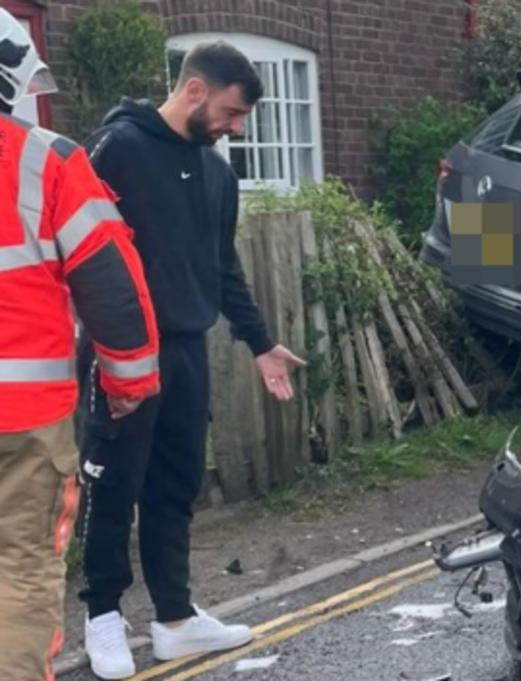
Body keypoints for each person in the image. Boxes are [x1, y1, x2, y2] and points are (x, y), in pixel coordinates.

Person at [77, 41, 305, 679]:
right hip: (120, 354)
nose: (236, 129)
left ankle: (175, 620)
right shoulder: (118, 150)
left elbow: (223, 268)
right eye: (232, 113)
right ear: (195, 90)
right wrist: (102, 344)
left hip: (185, 351)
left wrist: (260, 344)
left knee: (175, 487)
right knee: (113, 486)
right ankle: (102, 618)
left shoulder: (218, 175)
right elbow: (78, 245)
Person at [0, 10, 161, 681]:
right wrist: (128, 384)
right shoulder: (43, 158)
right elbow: (112, 288)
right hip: (23, 417)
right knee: (18, 565)